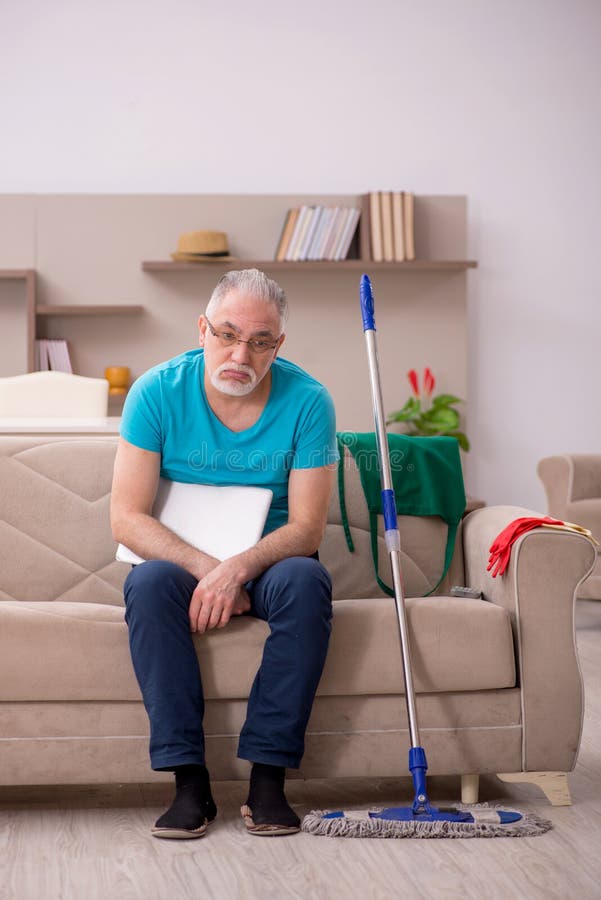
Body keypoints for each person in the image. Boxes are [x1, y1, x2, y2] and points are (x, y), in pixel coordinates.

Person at [110, 268, 338, 839]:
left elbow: (309, 527)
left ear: (278, 345)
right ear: (203, 329)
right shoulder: (157, 391)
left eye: (261, 342)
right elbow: (127, 517)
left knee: (307, 583)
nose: (242, 353)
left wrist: (238, 569)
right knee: (147, 586)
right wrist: (211, 573)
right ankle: (190, 784)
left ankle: (267, 782)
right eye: (228, 334)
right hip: (181, 561)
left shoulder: (309, 400)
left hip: (269, 560)